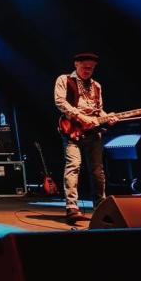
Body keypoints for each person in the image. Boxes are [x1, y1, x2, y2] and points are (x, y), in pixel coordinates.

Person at [54, 52, 117, 224]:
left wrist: (108, 117)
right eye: (85, 67)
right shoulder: (64, 79)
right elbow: (60, 102)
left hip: (93, 132)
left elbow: (98, 110)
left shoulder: (97, 85)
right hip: (72, 129)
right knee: (73, 165)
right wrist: (82, 117)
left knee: (98, 171)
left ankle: (101, 207)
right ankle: (72, 208)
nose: (88, 70)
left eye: (91, 68)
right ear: (76, 64)